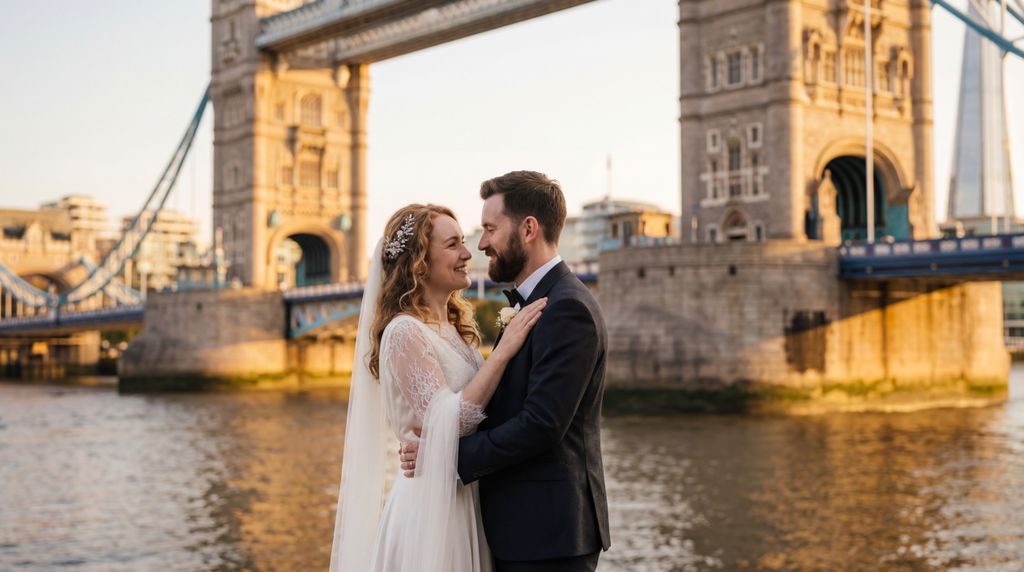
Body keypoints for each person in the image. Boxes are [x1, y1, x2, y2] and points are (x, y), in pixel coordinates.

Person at [401, 171, 611, 571]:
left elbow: (541, 424)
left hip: (549, 536)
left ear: (528, 229)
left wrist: (445, 458)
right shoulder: (534, 303)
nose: (480, 245)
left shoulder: (567, 308)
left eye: (489, 229)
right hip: (518, 529)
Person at [329, 204, 546, 571]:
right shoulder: (403, 331)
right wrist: (503, 351)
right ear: (420, 262)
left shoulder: (455, 329)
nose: (467, 253)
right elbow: (453, 420)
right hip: (431, 508)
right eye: (453, 245)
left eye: (463, 242)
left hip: (464, 492)